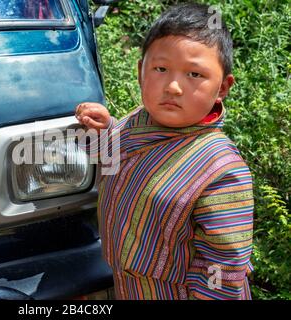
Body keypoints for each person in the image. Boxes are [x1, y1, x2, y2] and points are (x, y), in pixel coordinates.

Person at [75, 3, 254, 300]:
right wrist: (103, 130)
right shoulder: (138, 122)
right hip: (129, 287)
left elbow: (224, 267)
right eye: (160, 69)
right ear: (140, 71)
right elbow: (113, 159)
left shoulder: (221, 171)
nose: (172, 87)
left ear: (222, 87)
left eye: (194, 74)